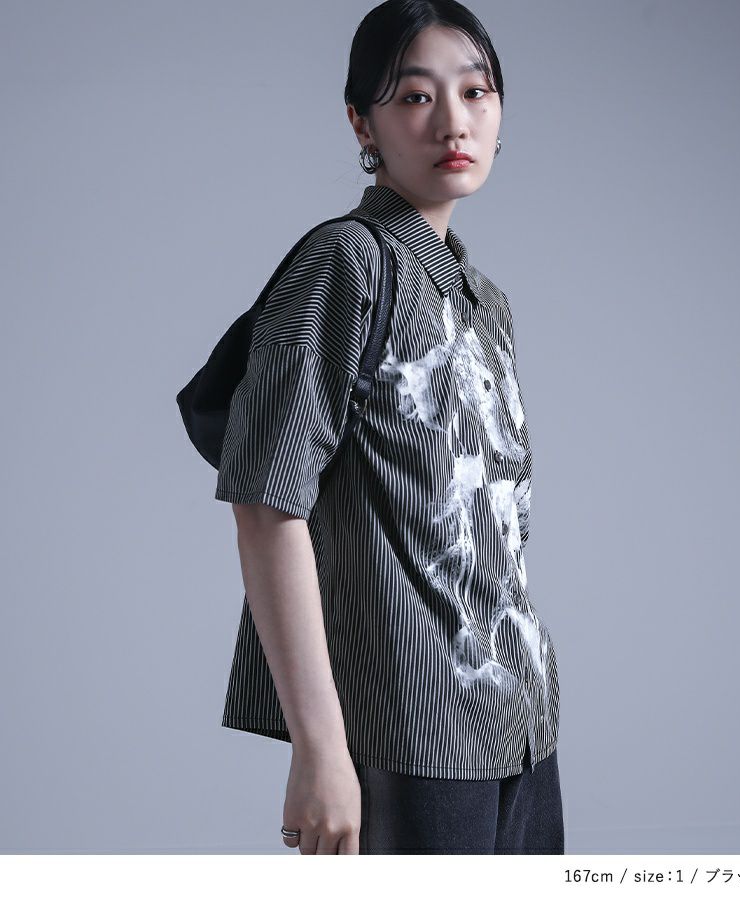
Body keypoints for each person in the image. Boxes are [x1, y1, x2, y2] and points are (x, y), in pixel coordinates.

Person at [215, 0, 563, 854]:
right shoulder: (346, 263)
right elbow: (266, 506)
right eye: (414, 96)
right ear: (361, 121)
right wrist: (319, 751)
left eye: (475, 92)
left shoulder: (484, 302)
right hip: (408, 734)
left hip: (521, 725)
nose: (453, 121)